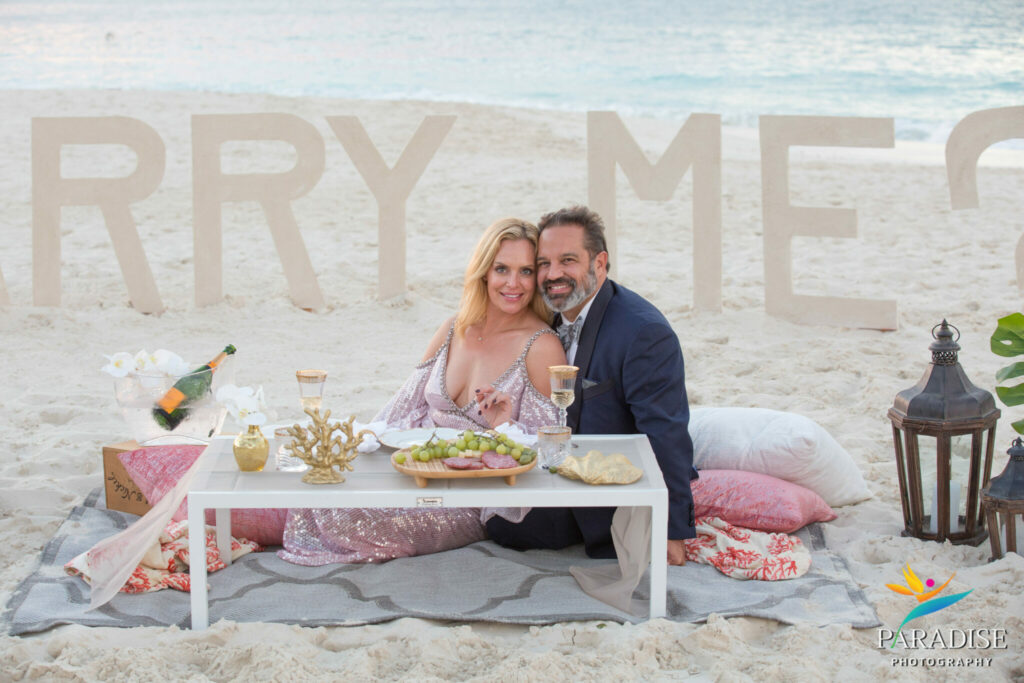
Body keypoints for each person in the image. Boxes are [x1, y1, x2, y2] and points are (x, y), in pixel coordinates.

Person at [279, 217, 566, 565]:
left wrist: (503, 428)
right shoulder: (453, 328)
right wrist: (358, 451)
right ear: (483, 272)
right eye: (501, 269)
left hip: (464, 499)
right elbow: (400, 409)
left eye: (525, 271)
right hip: (414, 470)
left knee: (346, 518)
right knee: (317, 488)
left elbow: (548, 449)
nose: (513, 283)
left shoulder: (541, 346)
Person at [485, 205, 698, 565]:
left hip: (605, 500)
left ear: (599, 263)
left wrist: (672, 530)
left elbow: (666, 433)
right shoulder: (548, 316)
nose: (553, 274)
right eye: (544, 263)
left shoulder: (644, 333)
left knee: (501, 526)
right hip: (554, 467)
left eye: (568, 260)